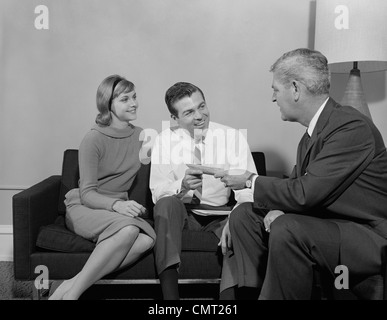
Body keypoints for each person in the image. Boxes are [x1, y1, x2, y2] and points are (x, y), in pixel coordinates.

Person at [216, 48, 387, 299]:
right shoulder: (311, 135)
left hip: (365, 236)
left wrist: (250, 180)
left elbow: (305, 193)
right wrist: (278, 207)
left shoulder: (351, 127)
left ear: (295, 89)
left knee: (288, 227)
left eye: (276, 89)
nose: (273, 98)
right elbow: (300, 188)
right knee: (244, 214)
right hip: (328, 226)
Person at [49, 75, 156, 300]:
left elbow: (168, 159)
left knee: (147, 240)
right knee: (129, 230)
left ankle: (71, 282)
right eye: (125, 99)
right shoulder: (93, 139)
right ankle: (73, 295)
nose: (134, 103)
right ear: (108, 104)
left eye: (134, 97)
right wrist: (117, 205)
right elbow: (87, 194)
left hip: (117, 209)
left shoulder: (141, 136)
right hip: (86, 206)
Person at [149, 82, 257, 300]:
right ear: (175, 119)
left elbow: (248, 190)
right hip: (184, 214)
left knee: (243, 218)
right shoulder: (163, 141)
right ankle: (171, 302)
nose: (200, 116)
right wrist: (183, 185)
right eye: (189, 112)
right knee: (166, 203)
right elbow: (157, 192)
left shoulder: (232, 138)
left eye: (202, 106)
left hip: (221, 214)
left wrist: (236, 217)